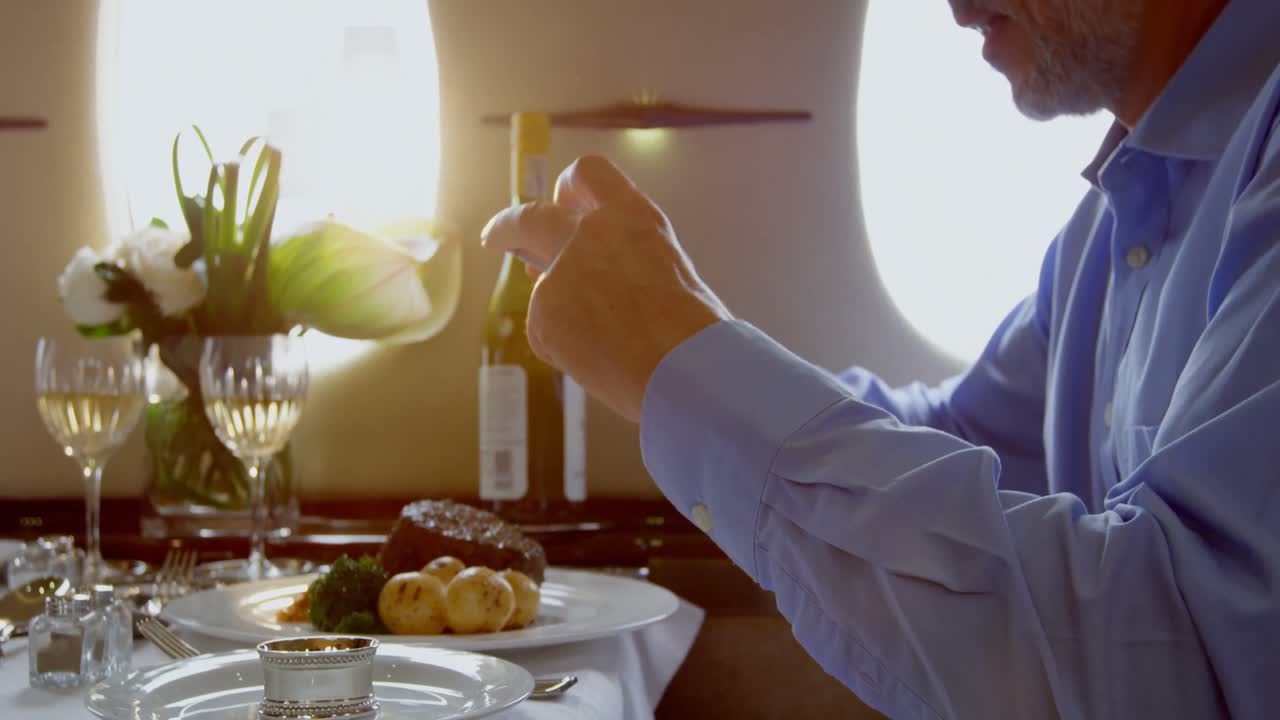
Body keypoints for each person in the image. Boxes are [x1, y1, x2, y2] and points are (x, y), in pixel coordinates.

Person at [481, 0, 1280, 717]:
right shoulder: (1097, 242)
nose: (957, 8)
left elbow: (1188, 651)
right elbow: (957, 437)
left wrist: (683, 365)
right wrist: (694, 335)